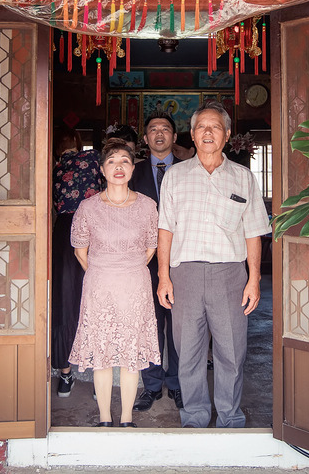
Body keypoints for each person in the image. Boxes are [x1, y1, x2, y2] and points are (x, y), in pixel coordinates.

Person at [156, 102, 271, 428]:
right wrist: (164, 276)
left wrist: (254, 278)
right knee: (188, 353)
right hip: (185, 274)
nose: (208, 132)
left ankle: (230, 419)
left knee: (231, 353)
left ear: (227, 134)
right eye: (201, 127)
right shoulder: (175, 176)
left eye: (215, 127)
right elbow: (165, 228)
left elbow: (253, 232)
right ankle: (194, 418)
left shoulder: (243, 177)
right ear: (191, 134)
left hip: (229, 275)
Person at [69, 138, 161, 427]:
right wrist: (104, 269)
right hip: (100, 286)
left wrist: (126, 267)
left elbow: (151, 247)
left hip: (135, 284)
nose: (118, 167)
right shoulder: (88, 207)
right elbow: (80, 251)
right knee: (103, 352)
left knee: (130, 352)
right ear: (102, 169)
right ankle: (106, 418)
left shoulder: (148, 206)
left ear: (133, 168)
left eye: (124, 161)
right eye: (111, 162)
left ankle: (126, 418)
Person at [128, 112, 183, 411]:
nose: (159, 133)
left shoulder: (190, 171)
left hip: (181, 260)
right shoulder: (131, 173)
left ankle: (176, 383)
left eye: (165, 129)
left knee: (179, 327)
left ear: (175, 137)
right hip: (142, 263)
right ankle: (151, 385)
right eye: (153, 129)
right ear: (146, 139)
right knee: (148, 324)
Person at [51, 127, 101, 397]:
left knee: (65, 300)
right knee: (95, 300)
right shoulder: (94, 159)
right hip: (93, 228)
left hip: (63, 233)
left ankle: (65, 373)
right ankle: (98, 378)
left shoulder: (54, 166)